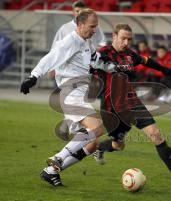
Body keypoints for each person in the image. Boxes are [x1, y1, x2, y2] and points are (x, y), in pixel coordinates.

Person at [59, 24, 171, 187]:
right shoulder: (102, 54)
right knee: (118, 144)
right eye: (123, 38)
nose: (126, 42)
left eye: (129, 39)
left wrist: (166, 70)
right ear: (114, 36)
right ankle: (99, 148)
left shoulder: (130, 55)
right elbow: (86, 70)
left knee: (155, 134)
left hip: (133, 103)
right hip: (112, 109)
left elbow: (147, 61)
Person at [20, 9, 110, 187]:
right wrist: (34, 76)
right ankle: (57, 158)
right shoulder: (70, 40)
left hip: (79, 96)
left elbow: (94, 58)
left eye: (96, 27)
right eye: (92, 27)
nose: (94, 30)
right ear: (80, 24)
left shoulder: (85, 42)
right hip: (71, 95)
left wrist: (111, 64)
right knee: (98, 127)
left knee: (92, 144)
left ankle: (51, 171)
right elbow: (52, 56)